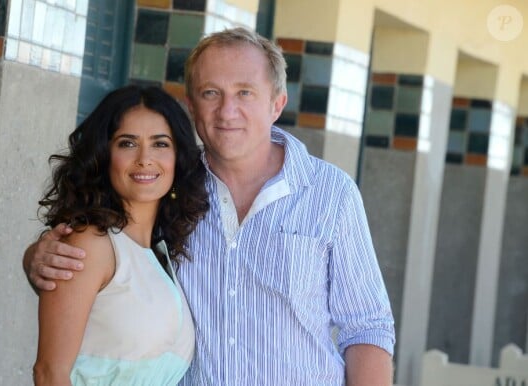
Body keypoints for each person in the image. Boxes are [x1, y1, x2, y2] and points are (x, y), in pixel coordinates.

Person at [25, 27, 395, 385]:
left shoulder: (331, 194)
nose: (227, 111)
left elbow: (367, 327)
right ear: (191, 105)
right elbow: (107, 256)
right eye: (211, 93)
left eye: (245, 93)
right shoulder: (171, 190)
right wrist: (37, 257)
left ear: (277, 104)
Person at [31, 85, 209, 385]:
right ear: (104, 155)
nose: (144, 159)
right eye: (127, 143)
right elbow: (50, 373)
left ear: (177, 157)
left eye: (160, 144)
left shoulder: (160, 252)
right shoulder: (89, 244)